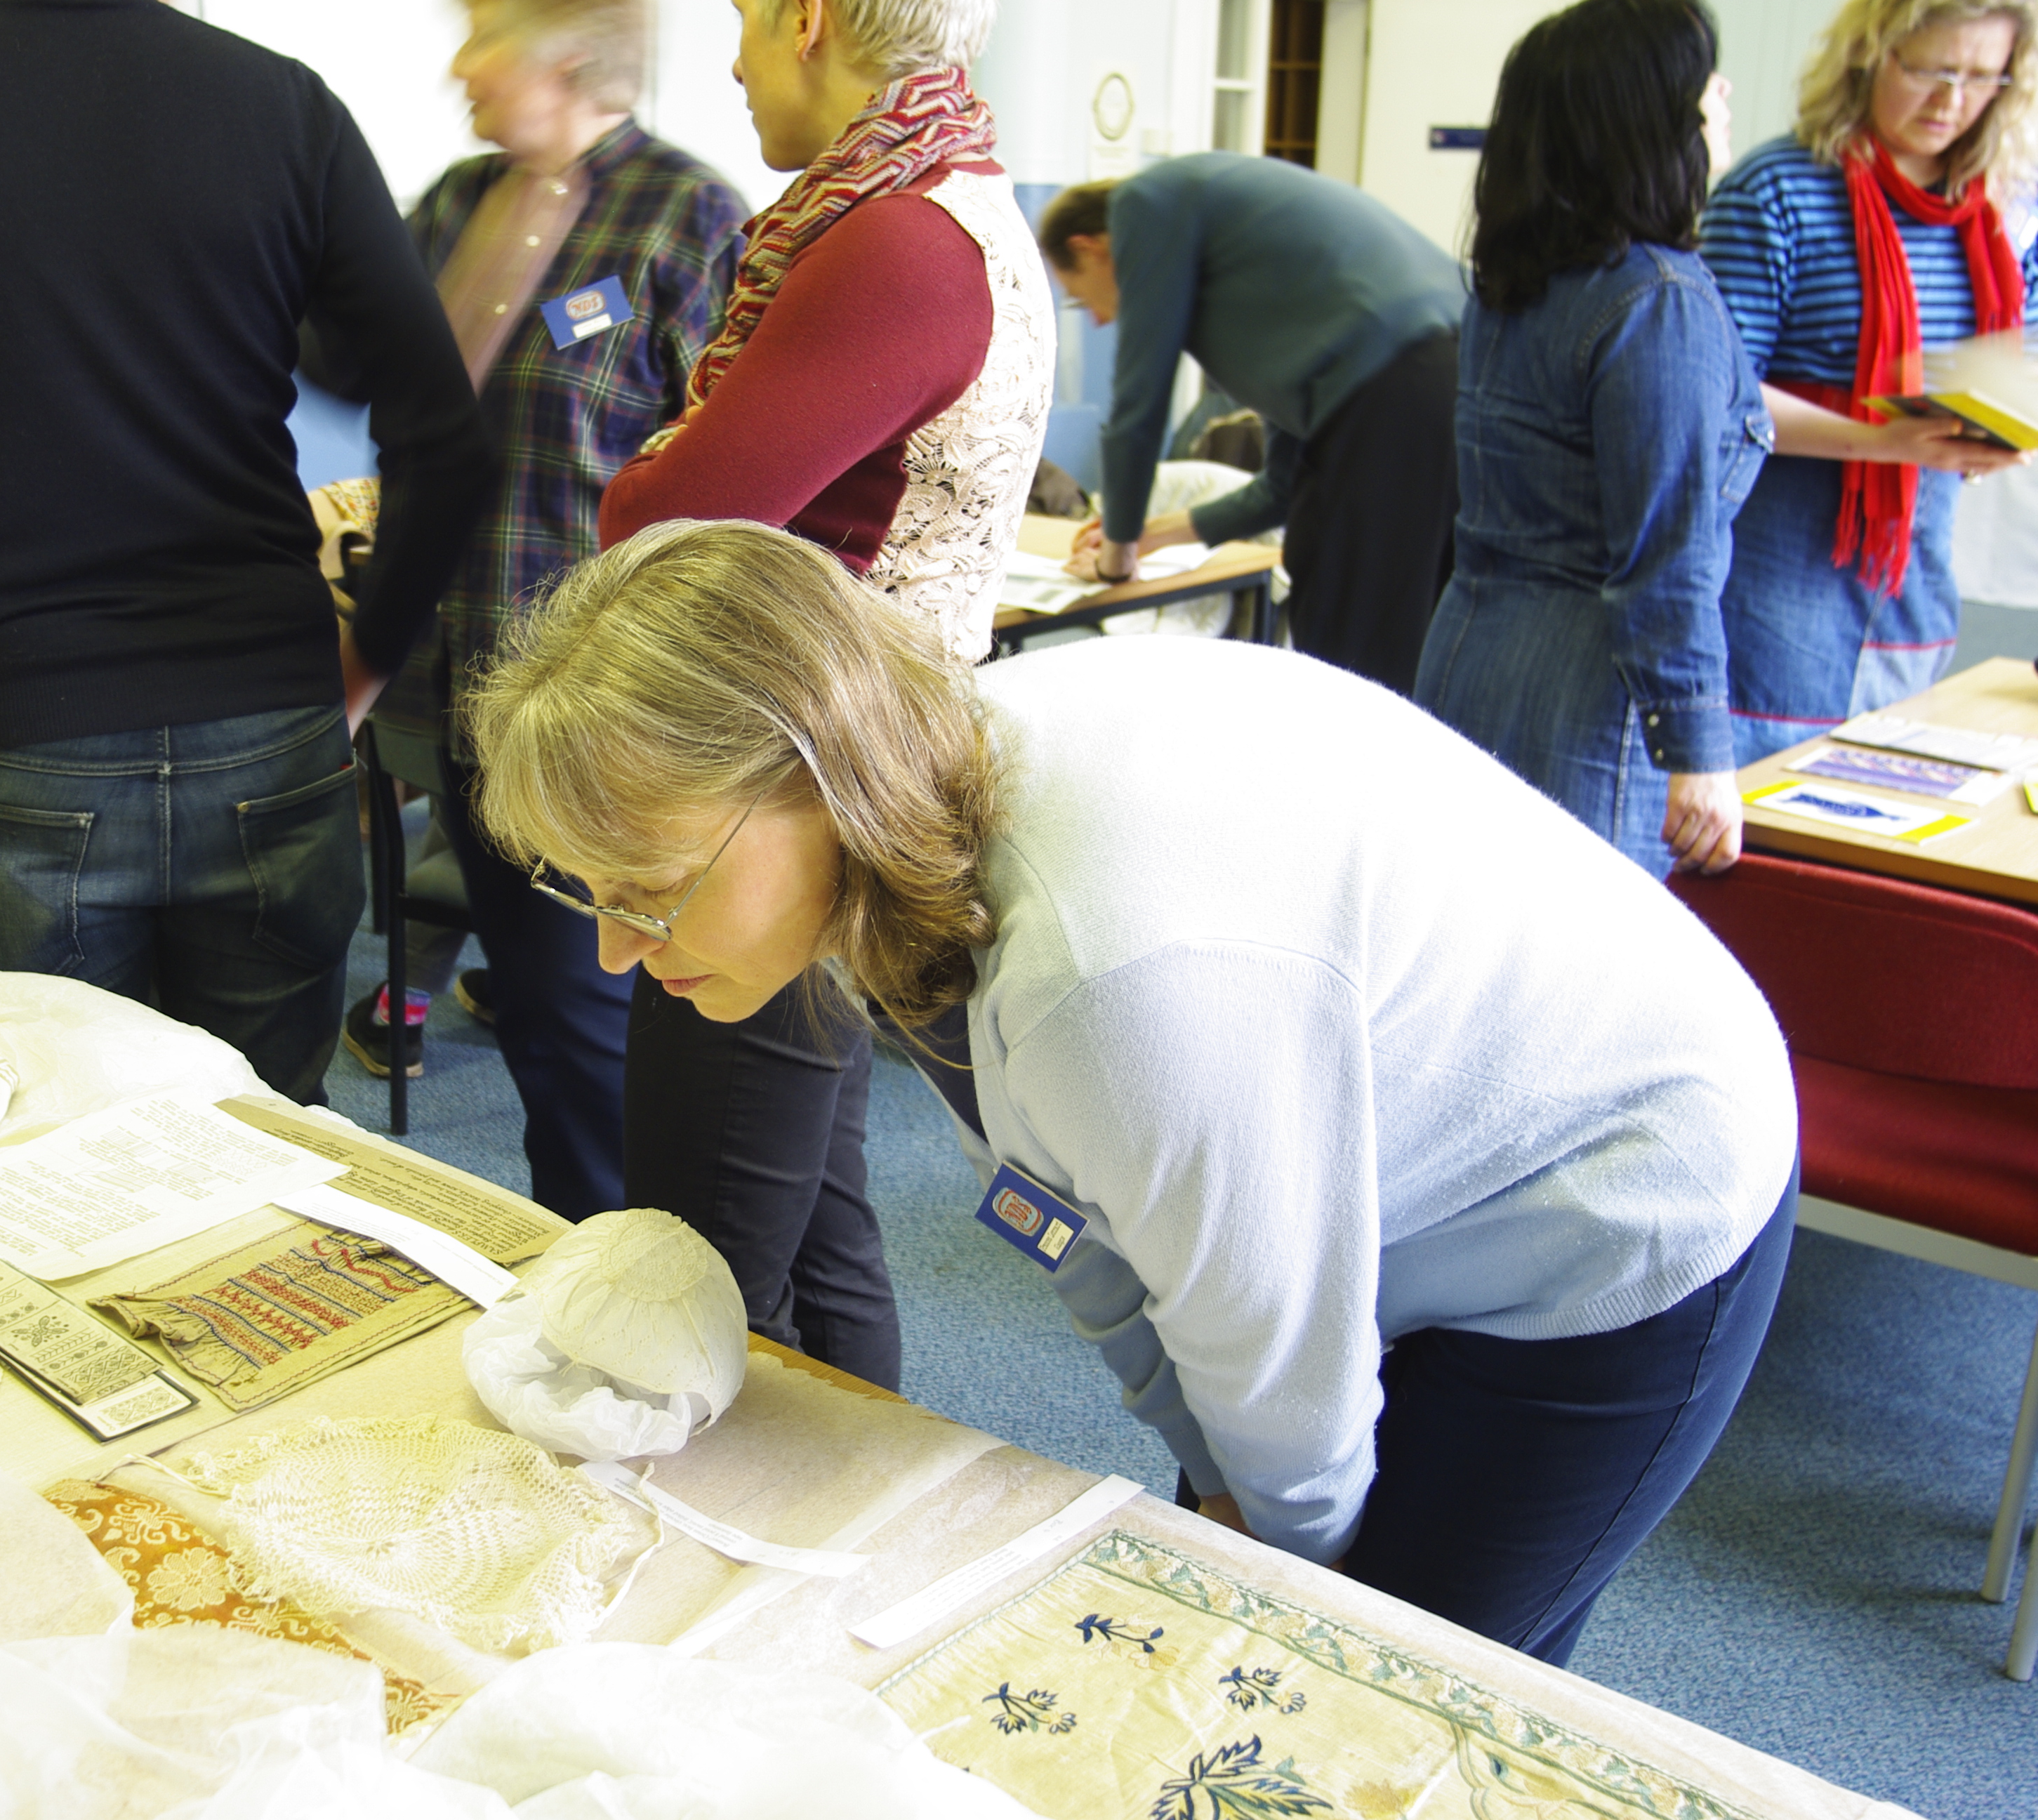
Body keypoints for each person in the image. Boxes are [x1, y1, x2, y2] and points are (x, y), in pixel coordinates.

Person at [468, 517, 1801, 1666]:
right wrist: (1213, 1488)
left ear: (809, 774)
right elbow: (1073, 1222)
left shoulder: (1106, 975)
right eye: (588, 892)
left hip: (1614, 1190)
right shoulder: (900, 838)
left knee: (1401, 1689)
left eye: (650, 890)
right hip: (1367, 1177)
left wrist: (1290, 1592)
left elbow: (1274, 1353)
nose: (617, 951)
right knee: (1249, 1588)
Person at [0, 0, 487, 1102]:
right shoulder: (278, 100)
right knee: (271, 1146)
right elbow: (446, 438)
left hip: (14, 715)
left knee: (69, 1157)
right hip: (268, 722)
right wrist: (354, 679)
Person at [592, 0, 1053, 1388]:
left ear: (807, 18)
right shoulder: (939, 201)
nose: (730, 62)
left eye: (739, 18)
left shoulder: (900, 239)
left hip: (793, 799)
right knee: (813, 1204)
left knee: (707, 1243)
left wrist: (642, 463)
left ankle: (732, 1550)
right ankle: (862, 1516)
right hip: (839, 764)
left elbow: (664, 516)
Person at [323, 0, 742, 1214]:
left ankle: (627, 1279)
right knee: (534, 1022)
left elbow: (723, 489)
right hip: (452, 687)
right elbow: (353, 363)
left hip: (594, 708)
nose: (458, 66)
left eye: (481, 38)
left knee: (581, 1031)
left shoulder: (686, 215)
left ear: (568, 57)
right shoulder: (455, 203)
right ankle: (587, 1269)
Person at [1415, 0, 1766, 881]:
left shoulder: (1512, 287)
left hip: (1466, 654)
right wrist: (1698, 750)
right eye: (1701, 83)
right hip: (1582, 698)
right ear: (1644, 117)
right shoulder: (1659, 298)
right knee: (1572, 1001)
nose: (1719, 97)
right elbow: (1664, 554)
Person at [1700, 0, 2034, 763]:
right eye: (1930, 70)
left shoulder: (2004, 208)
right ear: (1865, 55)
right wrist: (1883, 439)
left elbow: (2023, 363)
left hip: (1911, 594)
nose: (1951, 102)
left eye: (1982, 77)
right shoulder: (1774, 191)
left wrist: (1996, 435)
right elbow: (1710, 400)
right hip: (1775, 592)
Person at [1038, 157, 1464, 694]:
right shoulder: (1284, 323)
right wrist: (1150, 537)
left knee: (1350, 655)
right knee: (1404, 646)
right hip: (1452, 390)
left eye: (1080, 297)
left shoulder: (1143, 205)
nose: (1099, 319)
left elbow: (1138, 409)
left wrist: (1117, 553)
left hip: (1394, 397)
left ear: (1089, 247)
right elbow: (1283, 490)